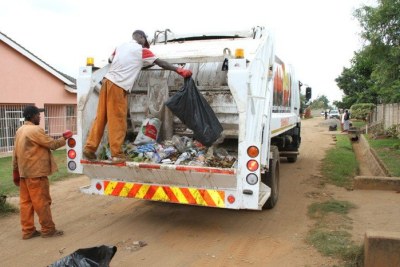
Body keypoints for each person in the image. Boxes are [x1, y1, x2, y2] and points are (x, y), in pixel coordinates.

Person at [83, 29, 192, 163]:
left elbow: (110, 59)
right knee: (117, 120)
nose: (145, 44)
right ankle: (117, 154)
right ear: (140, 37)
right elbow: (160, 63)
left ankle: (90, 148)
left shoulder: (120, 47)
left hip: (106, 82)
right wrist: (179, 70)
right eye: (144, 41)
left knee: (101, 118)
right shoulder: (141, 50)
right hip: (118, 85)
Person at [12, 105, 73, 240]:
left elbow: (14, 153)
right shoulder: (35, 130)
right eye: (38, 114)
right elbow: (53, 144)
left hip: (24, 174)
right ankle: (48, 229)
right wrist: (65, 137)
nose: (40, 116)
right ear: (32, 116)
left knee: (26, 203)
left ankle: (28, 231)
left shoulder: (20, 130)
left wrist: (15, 171)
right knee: (42, 202)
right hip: (36, 174)